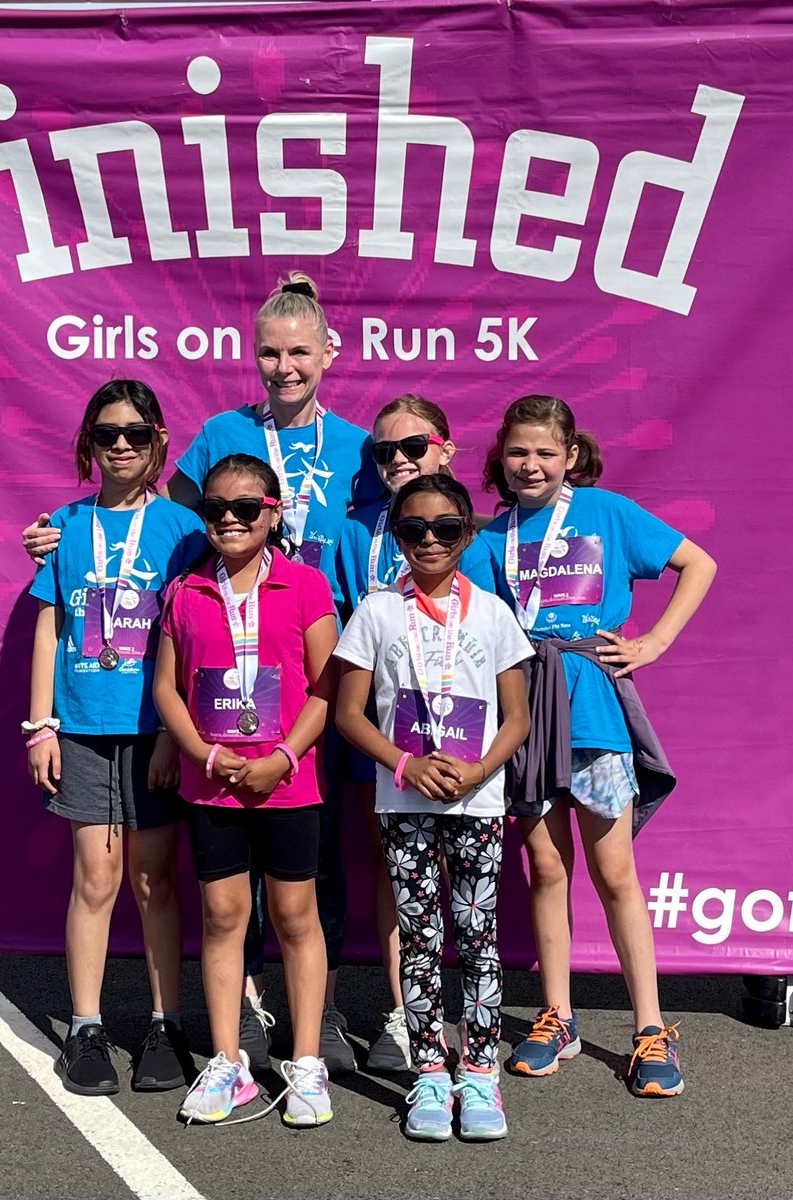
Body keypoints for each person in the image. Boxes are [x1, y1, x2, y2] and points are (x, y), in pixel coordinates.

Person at [23, 272, 376, 1076]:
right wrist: (51, 541)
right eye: (269, 353)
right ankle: (239, 1009)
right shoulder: (218, 433)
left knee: (314, 858)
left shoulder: (357, 446)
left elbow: (393, 530)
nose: (284, 366)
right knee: (225, 873)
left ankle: (310, 1019)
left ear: (328, 352)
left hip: (314, 662)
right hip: (211, 692)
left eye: (298, 351)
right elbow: (168, 532)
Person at [476, 394, 716, 1098]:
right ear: (502, 457)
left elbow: (695, 563)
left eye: (545, 453)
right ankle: (559, 1016)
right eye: (519, 452)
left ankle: (649, 1026)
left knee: (615, 873)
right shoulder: (493, 538)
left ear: (571, 456)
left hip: (596, 720)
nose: (531, 464)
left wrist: (654, 642)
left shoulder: (607, 513)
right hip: (525, 714)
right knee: (546, 869)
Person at [335, 474, 532, 1141]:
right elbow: (348, 713)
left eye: (445, 528)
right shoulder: (377, 611)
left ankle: (479, 1073)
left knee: (478, 940)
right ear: (396, 536)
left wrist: (477, 770)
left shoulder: (494, 615)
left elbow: (518, 717)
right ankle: (427, 1070)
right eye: (413, 529)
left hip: (477, 803)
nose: (429, 540)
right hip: (404, 799)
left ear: (467, 533)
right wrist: (405, 763)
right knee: (419, 941)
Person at [27, 380, 207, 1098]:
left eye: (136, 431)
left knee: (153, 880)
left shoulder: (183, 530)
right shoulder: (65, 526)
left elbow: (195, 635)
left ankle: (165, 1023)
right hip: (82, 729)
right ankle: (86, 1026)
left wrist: (174, 730)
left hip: (153, 730)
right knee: (94, 879)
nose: (123, 444)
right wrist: (40, 725)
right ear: (89, 445)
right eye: (107, 434)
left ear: (160, 438)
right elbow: (48, 624)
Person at [154, 453, 340, 1127]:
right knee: (224, 918)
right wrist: (202, 753)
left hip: (288, 782)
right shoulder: (184, 591)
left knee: (295, 918)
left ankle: (308, 1062)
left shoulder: (306, 586)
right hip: (214, 784)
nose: (229, 520)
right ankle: (229, 1062)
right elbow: (166, 689)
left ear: (273, 511)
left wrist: (285, 755)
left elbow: (328, 686)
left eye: (245, 509)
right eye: (215, 510)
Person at [333, 394, 495, 1070]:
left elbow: (489, 638)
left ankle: (456, 1025)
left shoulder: (466, 533)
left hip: (458, 741)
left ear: (446, 450)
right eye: (385, 452)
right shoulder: (352, 530)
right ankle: (404, 1014)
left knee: (466, 891)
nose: (399, 460)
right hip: (380, 732)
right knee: (391, 870)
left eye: (414, 447)